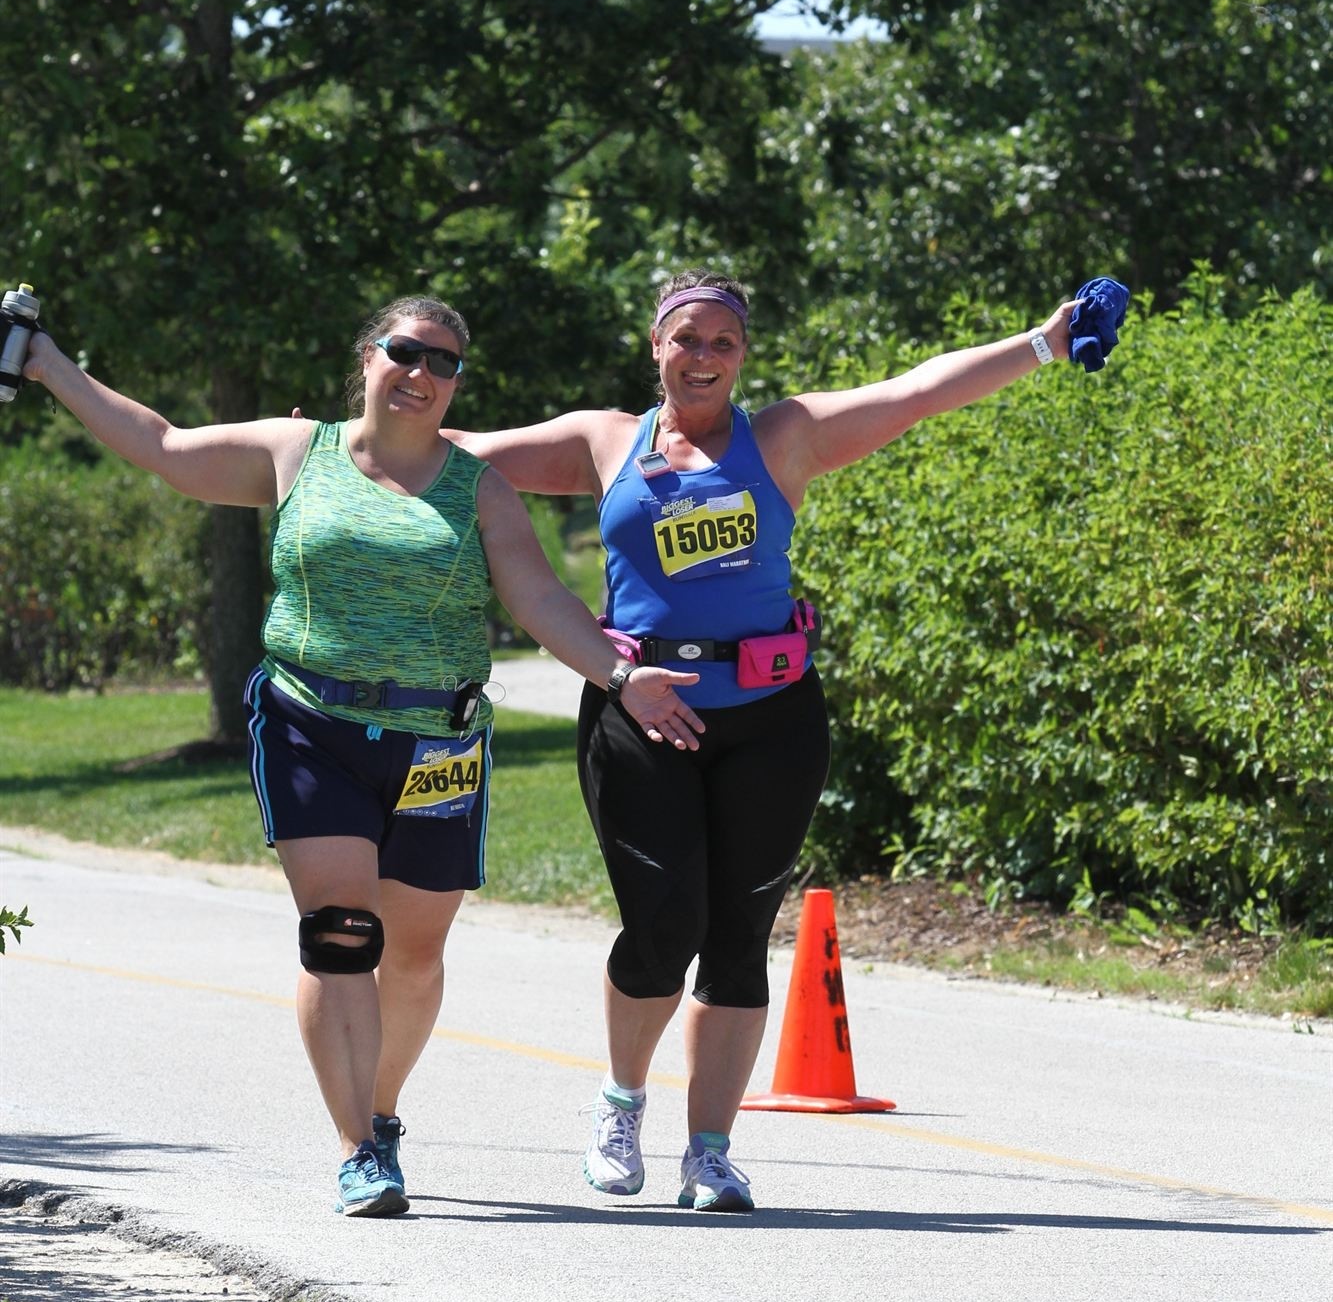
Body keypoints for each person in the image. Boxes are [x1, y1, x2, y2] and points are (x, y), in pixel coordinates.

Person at [21, 295, 703, 1217]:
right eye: (406, 352)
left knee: (414, 956)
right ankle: (357, 1151)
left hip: (438, 740)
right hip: (312, 722)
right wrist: (45, 363)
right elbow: (164, 445)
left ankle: (380, 1111)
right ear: (369, 358)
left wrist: (623, 679)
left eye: (445, 362)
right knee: (342, 933)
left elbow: (541, 599)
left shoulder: (478, 490)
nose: (422, 373)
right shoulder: (298, 453)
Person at [449, 271, 1077, 1213]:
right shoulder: (602, 440)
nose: (701, 357)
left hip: (771, 717)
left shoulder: (783, 435)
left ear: (742, 355)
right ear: (654, 344)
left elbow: (917, 390)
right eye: (685, 339)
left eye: (722, 344)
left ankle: (709, 1151)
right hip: (643, 707)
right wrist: (338, 444)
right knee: (664, 927)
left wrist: (1042, 343)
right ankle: (620, 1104)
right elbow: (456, 453)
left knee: (738, 939)